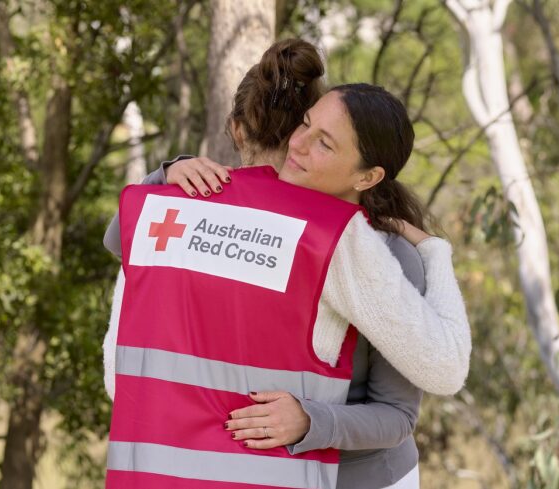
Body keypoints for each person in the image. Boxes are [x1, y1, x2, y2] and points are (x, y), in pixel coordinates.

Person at [103, 40, 469, 489]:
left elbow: (402, 411)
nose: (299, 146)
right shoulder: (220, 221)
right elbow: (125, 239)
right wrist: (166, 180)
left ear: (367, 175)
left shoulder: (384, 253)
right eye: (306, 127)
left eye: (324, 143)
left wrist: (310, 421)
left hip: (364, 478)